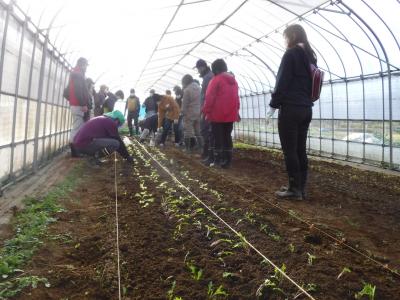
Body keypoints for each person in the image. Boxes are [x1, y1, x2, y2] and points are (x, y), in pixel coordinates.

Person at [266, 24, 316, 200]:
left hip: (291, 108)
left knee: (290, 150)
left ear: (294, 35)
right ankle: (299, 188)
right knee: (300, 149)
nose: (285, 41)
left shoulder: (291, 53)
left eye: (286, 37)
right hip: (306, 108)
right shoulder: (310, 56)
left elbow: (282, 81)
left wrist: (273, 104)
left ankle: (294, 191)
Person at [203, 59, 240, 169]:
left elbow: (209, 97)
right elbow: (236, 98)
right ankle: (227, 160)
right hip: (230, 115)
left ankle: (218, 160)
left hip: (217, 115)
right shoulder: (234, 81)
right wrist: (236, 111)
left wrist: (206, 111)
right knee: (227, 136)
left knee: (217, 137)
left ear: (216, 69)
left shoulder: (216, 80)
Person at [65, 57, 91, 157]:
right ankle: (74, 152)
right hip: (78, 105)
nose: (86, 68)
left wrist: (72, 101)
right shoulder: (78, 75)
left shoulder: (74, 74)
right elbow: (79, 90)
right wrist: (83, 103)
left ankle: (76, 151)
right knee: (77, 128)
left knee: (77, 127)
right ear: (82, 64)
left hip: (75, 104)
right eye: (85, 65)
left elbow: (67, 92)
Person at [195, 59, 214, 161]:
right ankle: (208, 154)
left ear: (201, 67)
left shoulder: (208, 77)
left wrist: (203, 110)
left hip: (208, 109)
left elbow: (206, 95)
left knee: (205, 131)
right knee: (208, 131)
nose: (198, 71)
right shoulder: (209, 76)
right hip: (209, 108)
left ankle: (207, 154)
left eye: (198, 69)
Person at [181, 74, 202, 152]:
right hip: (199, 112)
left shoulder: (187, 90)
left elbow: (184, 104)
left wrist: (183, 113)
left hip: (189, 113)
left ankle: (187, 149)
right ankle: (201, 148)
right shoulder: (199, 88)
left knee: (188, 131)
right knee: (198, 131)